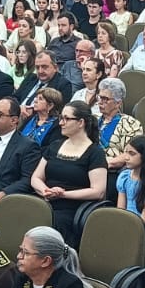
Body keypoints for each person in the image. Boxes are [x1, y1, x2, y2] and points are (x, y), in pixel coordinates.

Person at [30, 101, 107, 241]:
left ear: (81, 122)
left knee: (53, 223)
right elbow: (36, 177)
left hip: (71, 208)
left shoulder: (95, 153)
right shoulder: (55, 145)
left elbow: (98, 191)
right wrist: (46, 191)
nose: (61, 123)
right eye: (61, 118)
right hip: (44, 200)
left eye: (66, 118)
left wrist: (63, 194)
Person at [95, 78, 144, 176]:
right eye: (99, 98)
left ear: (118, 103)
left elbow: (132, 154)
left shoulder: (131, 124)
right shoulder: (93, 120)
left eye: (105, 99)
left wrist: (107, 163)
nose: (100, 102)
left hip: (113, 171)